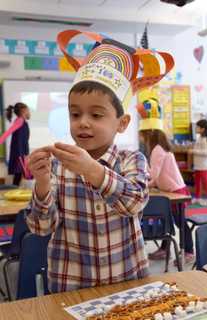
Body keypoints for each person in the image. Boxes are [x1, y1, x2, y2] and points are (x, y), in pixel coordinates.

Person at [26, 29, 175, 293]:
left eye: (96, 115)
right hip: (71, 286)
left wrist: (93, 170)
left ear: (122, 123)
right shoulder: (58, 166)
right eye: (75, 114)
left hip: (128, 282)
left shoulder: (132, 159)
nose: (83, 122)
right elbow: (40, 227)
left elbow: (134, 202)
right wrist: (41, 183)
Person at [140, 129, 194, 263]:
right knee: (168, 219)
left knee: (180, 222)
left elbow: (154, 175)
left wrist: (144, 183)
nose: (141, 139)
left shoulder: (157, 150)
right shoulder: (161, 149)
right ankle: (165, 249)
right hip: (172, 190)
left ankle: (188, 252)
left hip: (175, 191)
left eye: (142, 136)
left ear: (149, 137)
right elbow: (156, 176)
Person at [0, 103, 30, 186]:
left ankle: (15, 190)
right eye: (28, 110)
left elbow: (24, 140)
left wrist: (26, 154)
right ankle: (14, 191)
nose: (29, 112)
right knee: (19, 175)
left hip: (22, 153)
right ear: (23, 111)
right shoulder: (20, 120)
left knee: (20, 175)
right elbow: (8, 132)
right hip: (18, 154)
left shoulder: (23, 121)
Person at [189, 119, 207, 206]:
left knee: (205, 182)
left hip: (203, 166)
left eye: (198, 127)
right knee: (197, 182)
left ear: (202, 129)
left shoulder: (205, 139)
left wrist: (194, 151)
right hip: (198, 165)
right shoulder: (199, 138)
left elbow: (206, 153)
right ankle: (197, 197)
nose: (196, 128)